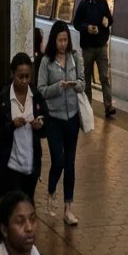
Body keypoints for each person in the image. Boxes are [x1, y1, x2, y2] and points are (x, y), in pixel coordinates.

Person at [36, 20, 84, 225]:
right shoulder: (46, 62)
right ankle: (51, 190)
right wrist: (59, 87)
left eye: (66, 40)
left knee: (71, 164)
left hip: (72, 117)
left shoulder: (75, 59)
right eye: (60, 40)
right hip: (54, 118)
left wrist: (76, 85)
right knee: (58, 160)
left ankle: (68, 208)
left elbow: (83, 82)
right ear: (54, 40)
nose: (63, 44)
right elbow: (41, 90)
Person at [0, 53, 47, 201]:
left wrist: (40, 124)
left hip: (30, 166)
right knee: (14, 207)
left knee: (28, 204)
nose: (24, 81)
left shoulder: (36, 96)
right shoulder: (3, 98)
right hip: (10, 165)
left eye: (28, 76)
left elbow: (46, 125)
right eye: (20, 76)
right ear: (13, 74)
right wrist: (11, 125)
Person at [72, 0, 115, 119]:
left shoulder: (103, 4)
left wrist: (107, 21)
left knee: (104, 76)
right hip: (88, 48)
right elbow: (76, 23)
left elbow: (110, 19)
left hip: (101, 46)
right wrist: (87, 28)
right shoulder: (83, 5)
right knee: (87, 78)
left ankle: (108, 106)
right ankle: (88, 106)